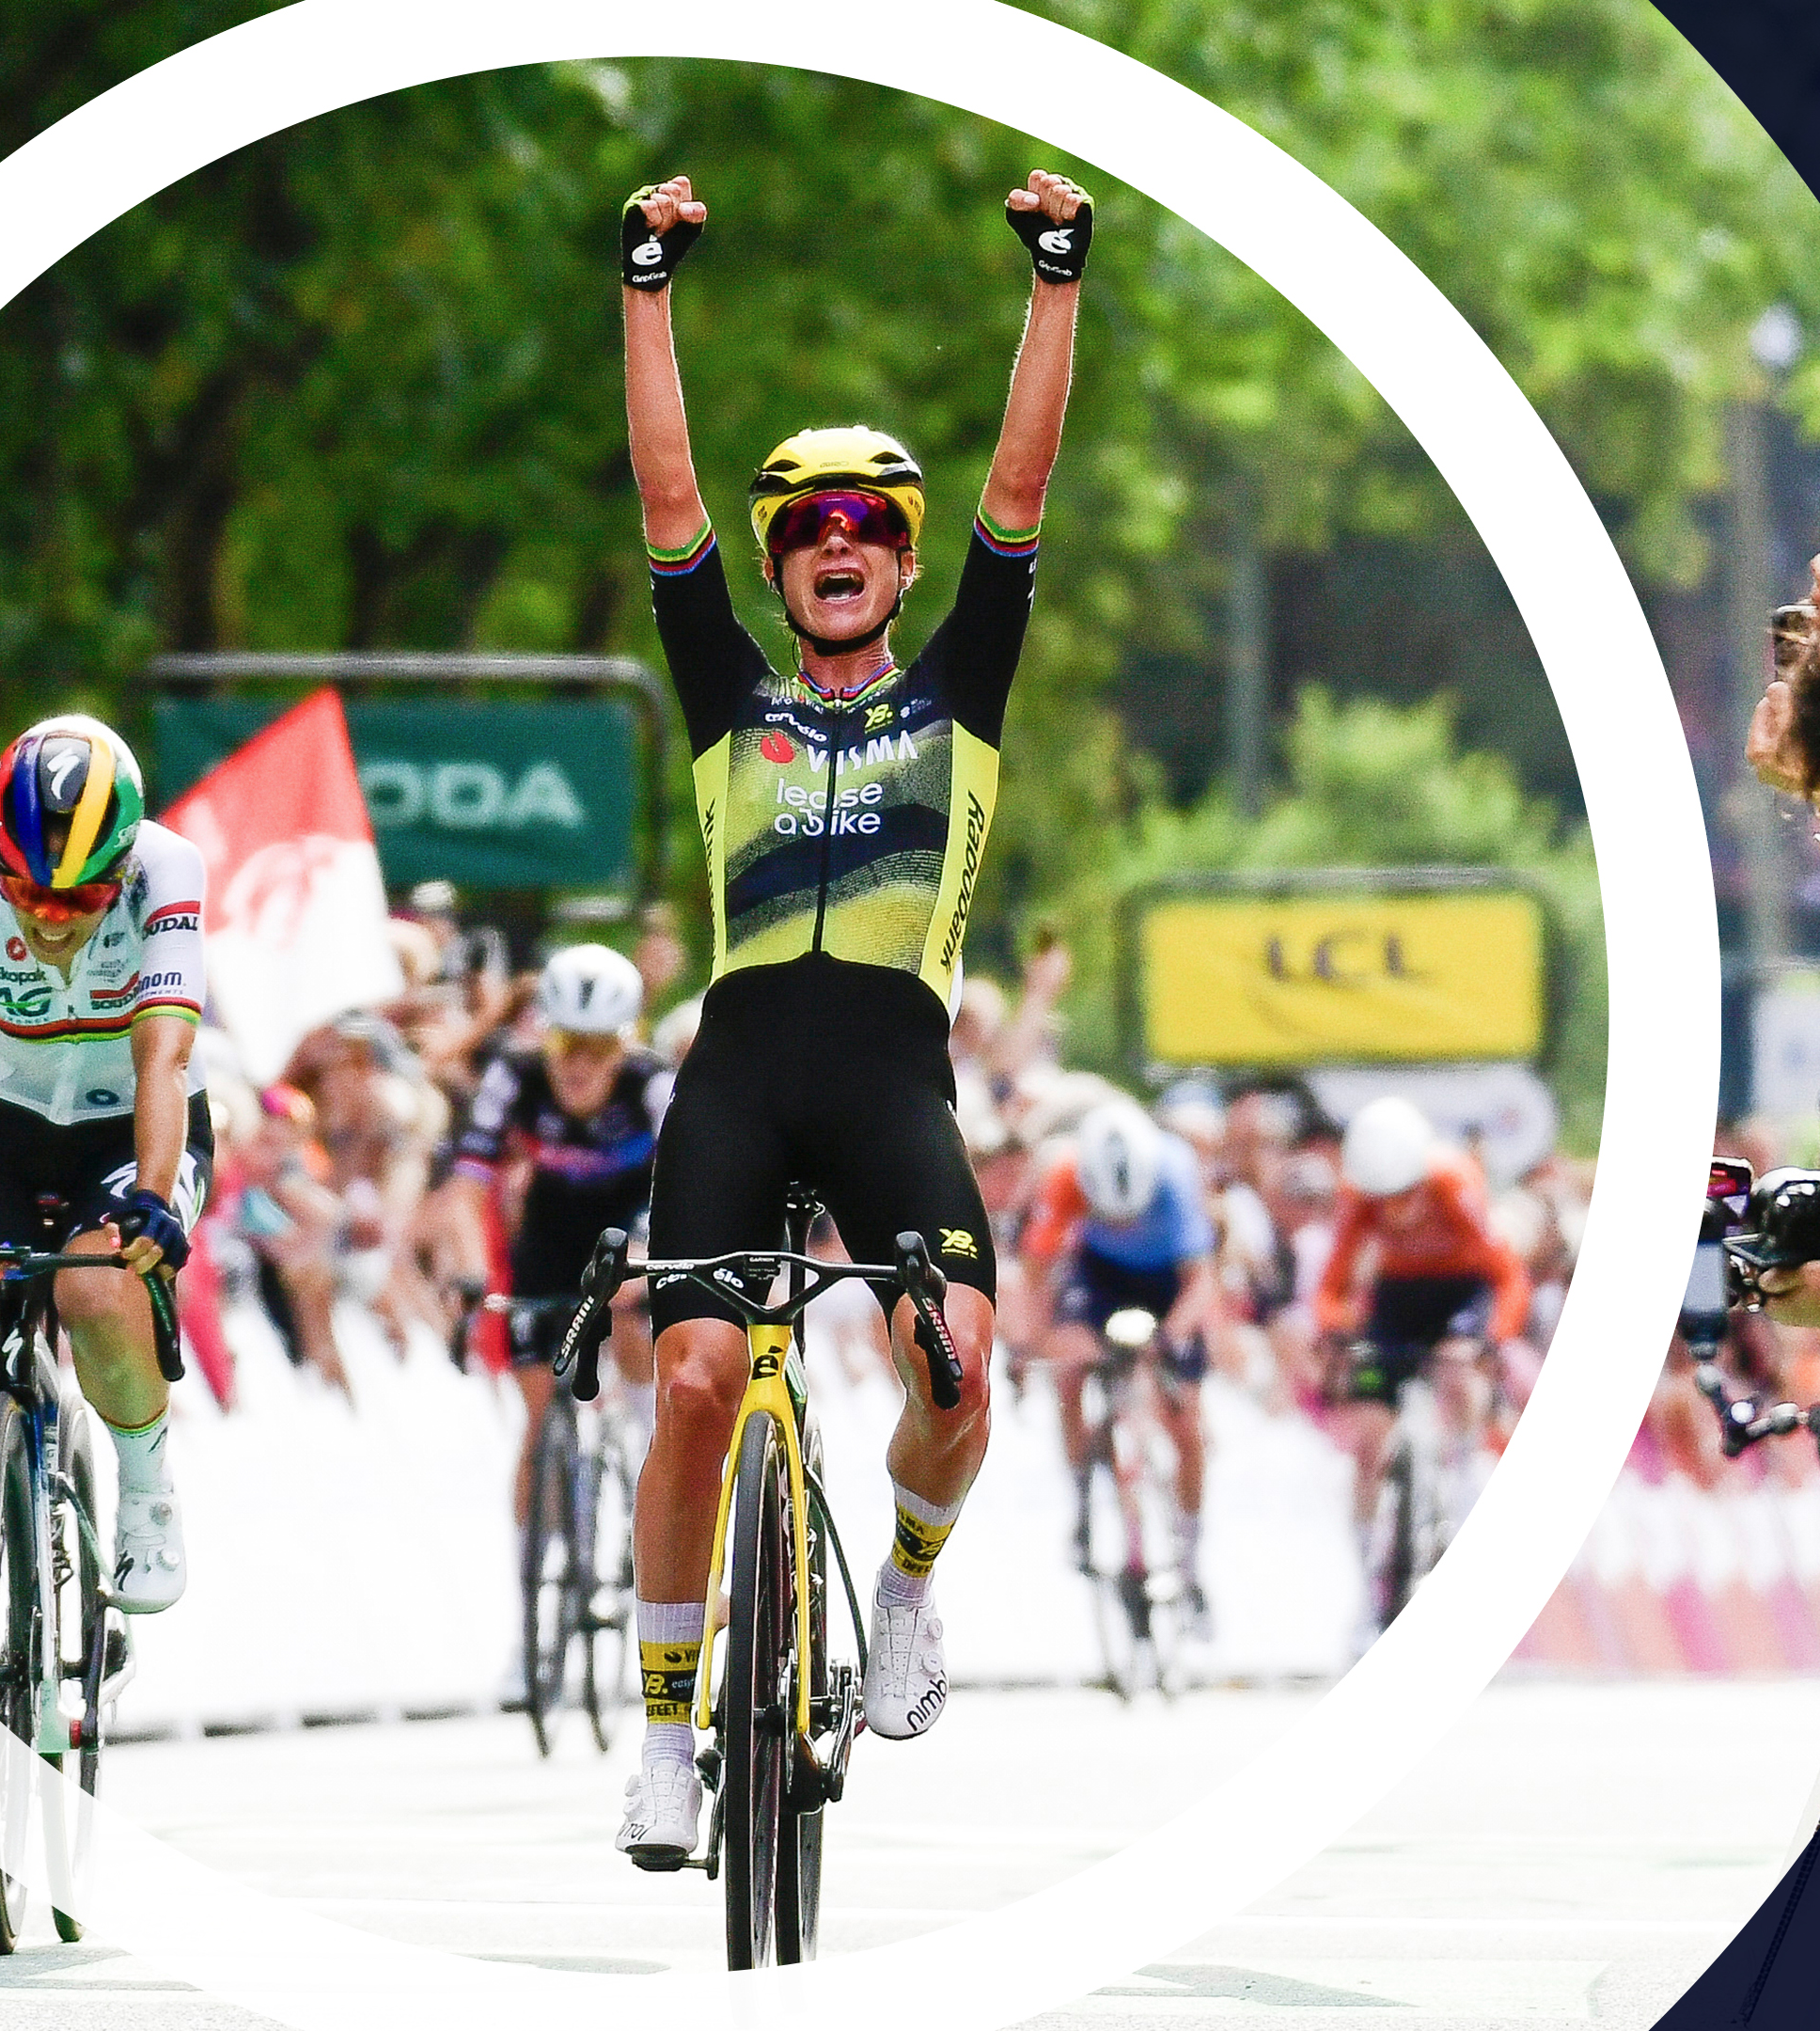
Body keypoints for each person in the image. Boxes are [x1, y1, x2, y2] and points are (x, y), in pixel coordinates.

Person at [611, 162, 1085, 1866]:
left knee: (955, 1366)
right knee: (689, 1384)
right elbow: (666, 494)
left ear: (899, 562)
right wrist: (645, 286)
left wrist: (1055, 283)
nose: (837, 543)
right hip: (739, 1075)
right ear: (776, 563)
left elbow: (1019, 489)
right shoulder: (727, 695)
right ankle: (664, 1738)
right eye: (807, 527)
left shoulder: (960, 691)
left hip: (891, 1081)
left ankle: (901, 1591)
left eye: (869, 525)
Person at [0, 714, 206, 1875]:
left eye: (83, 896)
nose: (54, 919)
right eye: (31, 894)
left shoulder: (167, 873)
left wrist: (153, 1198)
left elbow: (164, 1057)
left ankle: (147, 1481)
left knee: (101, 1295)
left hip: (129, 1121)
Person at [439, 944, 667, 1524]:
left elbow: (690, 1189)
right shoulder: (515, 1074)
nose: (578, 1065)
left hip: (637, 1224)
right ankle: (535, 1562)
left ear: (626, 1045)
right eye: (566, 1043)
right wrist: (469, 1270)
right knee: (539, 1416)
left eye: (599, 1047)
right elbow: (465, 1190)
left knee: (636, 1330)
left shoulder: (653, 1084)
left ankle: (651, 1446)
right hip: (551, 1232)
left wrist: (648, 1259)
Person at [1022, 1102, 1222, 1636]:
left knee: (1187, 1424)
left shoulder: (1174, 1174)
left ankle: (1190, 1556)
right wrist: (1032, 1344)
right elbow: (1038, 1275)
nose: (1125, 1224)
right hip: (1100, 1277)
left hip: (1169, 1282)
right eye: (1112, 1215)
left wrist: (1170, 1338)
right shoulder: (1066, 1176)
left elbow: (1201, 1282)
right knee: (1069, 1368)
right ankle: (1081, 1492)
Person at [1312, 1095, 1528, 1591]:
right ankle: (1365, 1566)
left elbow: (1508, 1275)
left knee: (1459, 1374)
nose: (1395, 1209)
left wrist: (1491, 1339)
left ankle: (1466, 1484)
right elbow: (1333, 1280)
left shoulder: (1453, 1182)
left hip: (1462, 1291)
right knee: (1370, 1435)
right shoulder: (1360, 1193)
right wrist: (1334, 1329)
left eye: (1405, 1194)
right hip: (1398, 1296)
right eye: (1383, 1198)